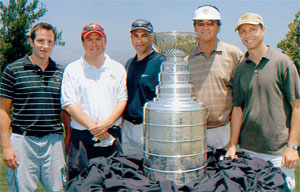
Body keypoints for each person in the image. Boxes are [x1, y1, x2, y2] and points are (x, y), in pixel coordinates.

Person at [225, 13, 300, 191]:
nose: (247, 35)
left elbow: (297, 106)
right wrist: (232, 146)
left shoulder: (282, 62)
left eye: (252, 29)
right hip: (248, 151)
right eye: (243, 31)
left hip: (278, 154)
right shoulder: (240, 69)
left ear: (263, 30)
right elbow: (237, 109)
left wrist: (292, 146)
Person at [0, 22, 68, 191]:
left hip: (54, 142)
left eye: (50, 42)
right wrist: (6, 147)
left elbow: (66, 110)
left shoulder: (62, 72)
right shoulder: (13, 70)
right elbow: (3, 111)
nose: (45, 46)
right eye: (41, 41)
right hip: (22, 141)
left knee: (58, 189)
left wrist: (68, 138)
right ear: (31, 42)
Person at [61, 23, 127, 180]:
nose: (94, 44)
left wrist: (105, 125)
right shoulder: (72, 69)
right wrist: (93, 127)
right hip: (82, 138)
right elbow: (70, 104)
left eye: (98, 39)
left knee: (115, 184)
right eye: (89, 40)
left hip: (111, 136)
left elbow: (122, 100)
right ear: (83, 43)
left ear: (105, 41)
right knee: (80, 185)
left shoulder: (117, 68)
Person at [188, 5, 243, 149]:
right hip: (193, 132)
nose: (205, 27)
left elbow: (243, 97)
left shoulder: (234, 54)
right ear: (194, 27)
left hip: (225, 131)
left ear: (219, 27)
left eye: (211, 23)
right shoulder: (186, 58)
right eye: (201, 23)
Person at [122, 19, 166, 155]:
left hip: (150, 129)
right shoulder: (129, 63)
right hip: (127, 128)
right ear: (131, 38)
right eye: (136, 36)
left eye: (144, 35)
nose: (139, 40)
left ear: (152, 37)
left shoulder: (161, 62)